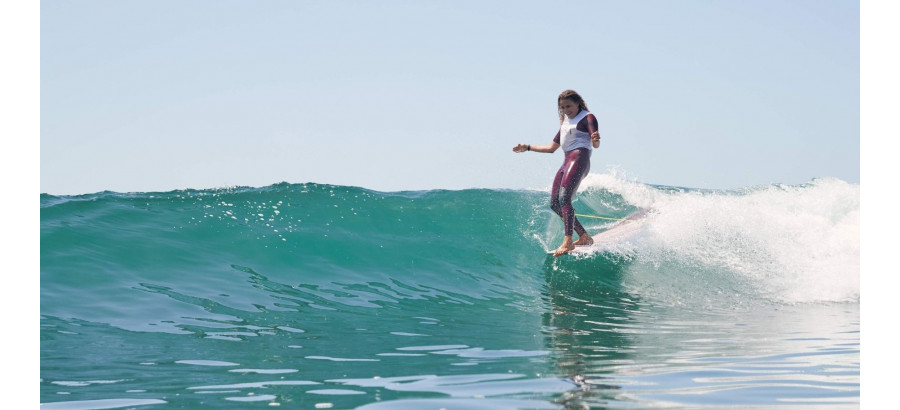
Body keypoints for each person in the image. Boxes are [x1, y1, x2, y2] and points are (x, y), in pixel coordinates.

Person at [513, 90, 601, 257]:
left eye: (569, 106)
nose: (566, 110)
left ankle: (568, 241)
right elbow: (551, 148)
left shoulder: (587, 117)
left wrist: (595, 139)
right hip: (567, 161)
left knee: (564, 198)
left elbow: (595, 143)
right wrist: (528, 147)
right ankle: (583, 236)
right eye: (563, 107)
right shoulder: (566, 123)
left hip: (580, 158)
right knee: (555, 202)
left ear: (578, 103)